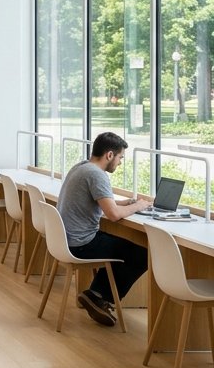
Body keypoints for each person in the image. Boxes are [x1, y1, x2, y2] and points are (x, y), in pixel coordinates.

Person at [56, 131, 151, 327]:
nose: (120, 162)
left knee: (123, 249)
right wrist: (139, 206)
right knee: (141, 255)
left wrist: (125, 203)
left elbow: (103, 204)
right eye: (120, 157)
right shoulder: (96, 175)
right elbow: (114, 215)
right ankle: (99, 296)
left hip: (65, 240)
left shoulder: (81, 167)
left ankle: (96, 295)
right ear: (109, 155)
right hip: (81, 243)